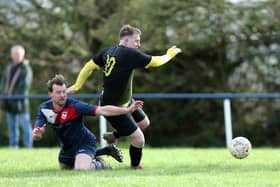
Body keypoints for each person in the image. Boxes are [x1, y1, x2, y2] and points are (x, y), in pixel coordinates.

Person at [67, 24, 182, 169]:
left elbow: (89, 66)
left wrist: (78, 85)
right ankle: (135, 167)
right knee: (139, 140)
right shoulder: (129, 54)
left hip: (125, 101)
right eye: (136, 41)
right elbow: (157, 62)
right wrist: (170, 54)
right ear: (126, 40)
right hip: (113, 107)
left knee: (144, 123)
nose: (139, 44)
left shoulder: (108, 51)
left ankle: (114, 135)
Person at [32, 74, 144, 170]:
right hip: (67, 147)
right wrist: (37, 134)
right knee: (65, 169)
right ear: (50, 94)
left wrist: (127, 110)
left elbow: (103, 110)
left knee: (80, 169)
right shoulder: (44, 109)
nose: (62, 95)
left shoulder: (75, 106)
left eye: (64, 92)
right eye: (58, 92)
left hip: (85, 142)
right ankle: (105, 151)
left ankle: (100, 164)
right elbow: (38, 132)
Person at [0, 45, 33, 148]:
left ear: (23, 55)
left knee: (25, 126)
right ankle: (13, 146)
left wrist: (13, 96)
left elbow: (24, 86)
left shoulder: (26, 69)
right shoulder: (8, 68)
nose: (16, 56)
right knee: (12, 126)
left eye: (18, 54)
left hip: (21, 103)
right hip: (8, 103)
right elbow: (3, 83)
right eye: (14, 54)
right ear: (11, 55)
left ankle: (28, 146)